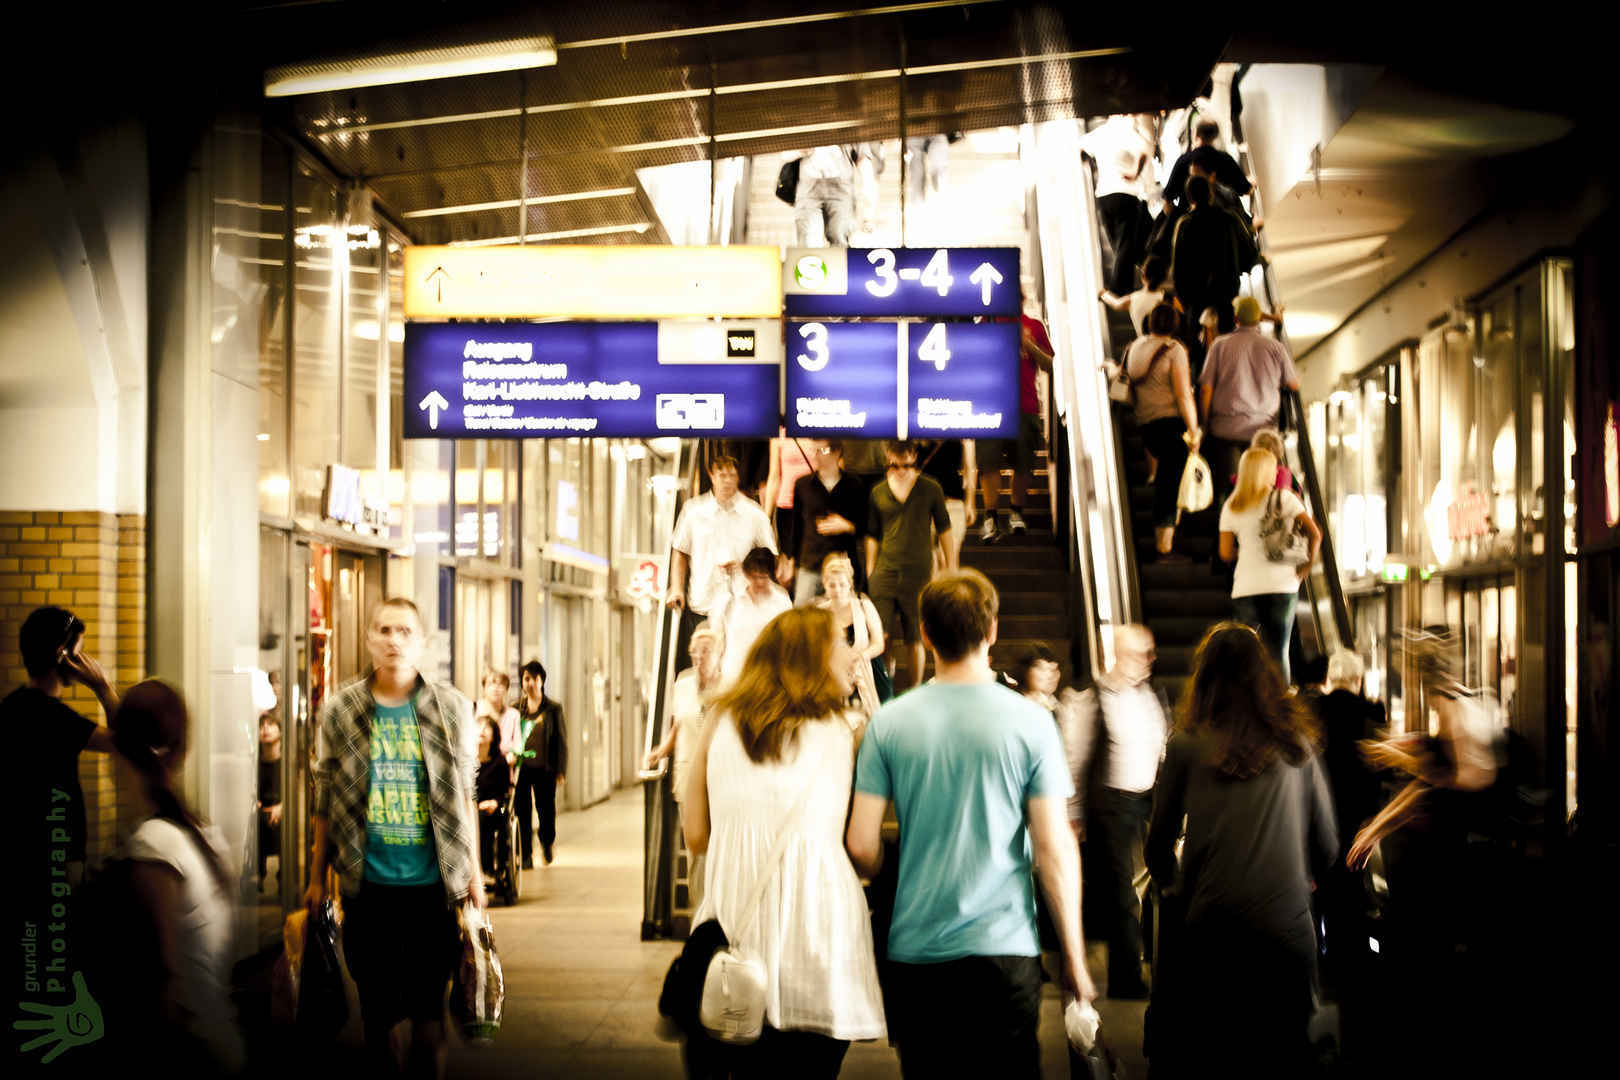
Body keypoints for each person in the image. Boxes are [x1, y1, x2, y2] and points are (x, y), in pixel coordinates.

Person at [846, 570, 1095, 1077]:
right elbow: (1053, 850)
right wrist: (1074, 955)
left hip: (916, 957)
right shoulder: (1032, 723)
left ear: (926, 634)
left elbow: (860, 844)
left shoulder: (889, 723)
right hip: (1004, 955)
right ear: (994, 631)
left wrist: (897, 868)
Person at [682, 606, 886, 1076]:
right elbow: (862, 840)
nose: (853, 652)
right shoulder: (851, 731)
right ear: (811, 657)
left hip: (733, 942)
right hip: (817, 945)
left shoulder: (719, 719)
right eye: (841, 641)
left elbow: (695, 836)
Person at [1144, 623, 1336, 1078]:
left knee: (1218, 1058)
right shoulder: (1299, 748)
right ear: (1265, 676)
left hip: (1213, 937)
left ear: (1205, 678)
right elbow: (1328, 848)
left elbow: (1155, 852)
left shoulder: (1187, 747)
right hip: (1287, 938)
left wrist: (1182, 878)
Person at [306, 597, 484, 1080]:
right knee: (377, 1015)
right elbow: (323, 793)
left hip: (432, 888)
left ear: (423, 643)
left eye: (405, 632)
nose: (394, 641)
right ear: (368, 640)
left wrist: (476, 875)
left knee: (429, 1014)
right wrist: (317, 875)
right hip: (367, 890)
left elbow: (466, 794)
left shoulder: (449, 707)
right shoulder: (342, 709)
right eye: (384, 630)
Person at [112, 679, 247, 1075]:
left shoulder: (154, 848)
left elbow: (160, 980)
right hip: (221, 1042)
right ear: (183, 750)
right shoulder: (202, 834)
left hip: (192, 1055)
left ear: (115, 754)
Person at [1062, 624, 1169, 1000]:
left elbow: (1162, 745)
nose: (1149, 661)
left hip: (1146, 800)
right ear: (1119, 655)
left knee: (1160, 881)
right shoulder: (1094, 696)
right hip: (1109, 805)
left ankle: (1158, 961)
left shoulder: (1150, 694)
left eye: (1150, 653)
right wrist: (1073, 811)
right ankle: (1125, 978)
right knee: (1122, 893)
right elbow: (1074, 759)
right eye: (1142, 654)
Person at [6, 606, 119, 888]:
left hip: (19, 854)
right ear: (62, 656)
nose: (84, 660)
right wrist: (103, 686)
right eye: (78, 652)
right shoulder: (57, 719)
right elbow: (125, 742)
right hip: (58, 858)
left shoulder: (10, 706)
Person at [1219, 449, 1322, 683]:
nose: (1277, 471)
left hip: (1246, 588)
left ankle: (1251, 706)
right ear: (1265, 471)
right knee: (1279, 652)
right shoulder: (1285, 499)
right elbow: (1315, 534)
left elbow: (1225, 553)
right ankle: (1279, 710)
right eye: (1273, 467)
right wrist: (1306, 568)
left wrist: (1245, 550)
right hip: (1283, 585)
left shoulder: (1231, 505)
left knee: (1249, 654)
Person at [1311, 650, 1384, 980]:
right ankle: (1349, 956)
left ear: (1330, 678)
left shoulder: (1311, 709)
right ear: (1358, 680)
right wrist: (1373, 817)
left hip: (1319, 808)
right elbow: (1377, 768)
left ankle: (1317, 956)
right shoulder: (1372, 712)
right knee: (1352, 883)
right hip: (1357, 813)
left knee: (1318, 882)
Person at [668, 454, 777, 672]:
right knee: (704, 663)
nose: (728, 480)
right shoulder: (693, 511)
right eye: (722, 475)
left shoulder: (754, 514)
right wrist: (676, 588)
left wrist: (744, 567)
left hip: (742, 605)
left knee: (738, 665)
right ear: (712, 475)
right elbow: (679, 551)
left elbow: (770, 558)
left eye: (733, 475)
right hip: (704, 603)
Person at [644, 624, 724, 909]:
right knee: (696, 850)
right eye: (694, 653)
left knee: (722, 847)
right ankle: (700, 911)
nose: (699, 658)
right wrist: (662, 750)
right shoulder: (682, 683)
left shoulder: (730, 688)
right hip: (688, 776)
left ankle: (721, 908)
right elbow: (678, 724)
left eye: (705, 652)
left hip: (722, 779)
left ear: (719, 654)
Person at [866, 440, 954, 691]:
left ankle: (915, 688)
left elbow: (945, 529)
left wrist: (952, 568)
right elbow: (871, 533)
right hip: (885, 570)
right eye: (894, 466)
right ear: (887, 459)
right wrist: (871, 569)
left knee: (914, 637)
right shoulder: (878, 491)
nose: (901, 470)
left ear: (915, 458)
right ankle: (886, 684)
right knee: (880, 634)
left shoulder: (930, 487)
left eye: (906, 465)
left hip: (918, 570)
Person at [1200, 296, 1301, 505]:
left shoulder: (1219, 345)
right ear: (1259, 319)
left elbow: (1206, 388)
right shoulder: (1276, 348)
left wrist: (1205, 423)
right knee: (1263, 491)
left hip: (1225, 430)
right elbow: (1293, 384)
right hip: (1264, 432)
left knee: (1228, 492)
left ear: (1235, 317)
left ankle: (1227, 533)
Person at [1122, 303, 1201, 562]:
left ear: (1150, 321)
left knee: (1168, 481)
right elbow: (1183, 393)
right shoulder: (1175, 349)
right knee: (1168, 486)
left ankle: (1166, 540)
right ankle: (1164, 548)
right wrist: (1194, 429)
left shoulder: (1135, 346)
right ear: (1175, 324)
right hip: (1170, 425)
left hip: (1146, 426)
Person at [979, 300, 1055, 543]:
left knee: (1024, 462)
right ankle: (990, 517)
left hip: (1026, 406)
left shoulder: (1033, 325)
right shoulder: (986, 322)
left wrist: (1030, 345)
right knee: (988, 461)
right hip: (991, 406)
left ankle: (1015, 512)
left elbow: (1051, 365)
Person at [1170, 176, 1256, 338]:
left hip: (1197, 300)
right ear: (1211, 194)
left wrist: (1185, 301)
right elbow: (1249, 257)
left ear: (1189, 198)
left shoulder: (1183, 224)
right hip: (1228, 297)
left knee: (1203, 348)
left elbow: (1177, 272)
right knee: (1229, 340)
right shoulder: (1231, 219)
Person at [1080, 114, 1157, 293]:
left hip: (1104, 196)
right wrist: (1134, 173)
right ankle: (1120, 287)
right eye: (1133, 117)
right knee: (1126, 242)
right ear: (1123, 116)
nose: (1136, 121)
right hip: (1126, 194)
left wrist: (1087, 163)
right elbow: (1143, 153)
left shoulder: (1100, 133)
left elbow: (1079, 146)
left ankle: (1128, 274)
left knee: (1118, 242)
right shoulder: (1128, 133)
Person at [784, 438, 867, 603]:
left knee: (845, 617)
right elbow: (796, 527)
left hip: (842, 565)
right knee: (801, 615)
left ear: (836, 452)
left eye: (821, 451)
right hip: (810, 563)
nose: (815, 455)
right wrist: (791, 560)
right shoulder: (803, 485)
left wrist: (847, 526)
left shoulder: (854, 485)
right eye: (813, 450)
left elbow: (865, 526)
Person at [815, 553, 885, 719]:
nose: (837, 590)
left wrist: (860, 656)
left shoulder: (863, 606)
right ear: (825, 584)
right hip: (832, 678)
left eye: (842, 584)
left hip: (862, 673)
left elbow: (879, 643)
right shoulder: (820, 613)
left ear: (849, 584)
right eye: (832, 585)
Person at [514, 659, 567, 868]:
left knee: (546, 810)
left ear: (541, 680)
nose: (530, 683)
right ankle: (526, 853)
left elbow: (561, 740)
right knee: (522, 811)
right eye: (526, 679)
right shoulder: (516, 708)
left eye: (534, 678)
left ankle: (546, 842)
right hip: (522, 769)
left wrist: (561, 769)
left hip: (546, 769)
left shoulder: (553, 708)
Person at [716, 546, 794, 686]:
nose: (758, 582)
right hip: (733, 676)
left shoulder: (782, 603)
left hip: (766, 679)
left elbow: (787, 643)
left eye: (763, 577)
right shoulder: (731, 600)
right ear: (746, 573)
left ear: (772, 574)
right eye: (754, 576)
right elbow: (717, 637)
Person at [785, 144, 874, 247]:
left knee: (841, 243)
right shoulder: (802, 127)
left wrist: (868, 185)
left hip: (842, 197)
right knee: (809, 245)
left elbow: (862, 157)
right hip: (808, 196)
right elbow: (785, 154)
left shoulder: (851, 130)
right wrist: (800, 151)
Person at [917, 438, 975, 575]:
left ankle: (952, 596)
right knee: (929, 564)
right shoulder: (919, 423)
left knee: (948, 560)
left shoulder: (963, 425)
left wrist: (970, 502)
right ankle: (934, 596)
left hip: (952, 502)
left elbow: (970, 467)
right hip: (924, 504)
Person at [763, 427, 818, 571]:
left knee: (812, 555)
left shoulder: (819, 429)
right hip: (787, 504)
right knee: (789, 558)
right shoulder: (779, 435)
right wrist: (766, 516)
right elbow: (774, 476)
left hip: (814, 504)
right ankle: (792, 592)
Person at [474, 716, 512, 884]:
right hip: (469, 808)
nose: (482, 730)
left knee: (482, 819)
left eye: (487, 728)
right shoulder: (465, 761)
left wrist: (494, 802)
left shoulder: (499, 762)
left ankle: (486, 869)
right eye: (479, 726)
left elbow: (504, 791)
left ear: (494, 736)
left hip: (492, 809)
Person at [1098, 253, 1170, 338]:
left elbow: (1116, 304)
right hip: (1171, 348)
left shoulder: (1133, 300)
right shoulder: (1169, 300)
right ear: (1165, 279)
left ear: (1143, 275)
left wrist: (1104, 294)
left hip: (1145, 348)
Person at [257, 703, 283, 892]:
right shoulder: (253, 764)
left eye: (270, 724)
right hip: (260, 814)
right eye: (261, 725)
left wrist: (282, 806)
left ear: (281, 732)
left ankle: (285, 878)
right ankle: (257, 874)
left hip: (280, 813)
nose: (265, 728)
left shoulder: (287, 763)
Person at [475, 668, 520, 777]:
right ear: (484, 687)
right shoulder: (473, 709)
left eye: (501, 685)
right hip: (476, 771)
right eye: (491, 684)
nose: (496, 688)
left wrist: (513, 755)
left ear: (506, 689)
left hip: (502, 772)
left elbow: (519, 744)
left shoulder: (513, 715)